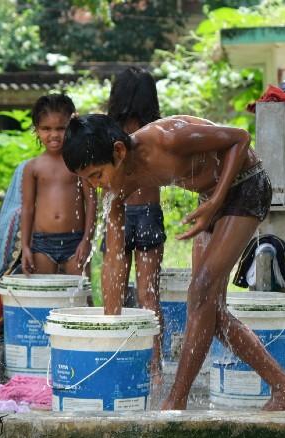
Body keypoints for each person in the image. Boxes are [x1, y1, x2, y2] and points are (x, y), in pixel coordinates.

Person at [61, 113, 285, 411]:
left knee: (201, 291)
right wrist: (110, 328)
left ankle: (176, 400)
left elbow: (240, 138)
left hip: (246, 186)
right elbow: (114, 260)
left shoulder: (168, 139)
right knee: (208, 309)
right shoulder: (117, 184)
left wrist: (216, 201)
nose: (97, 185)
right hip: (211, 200)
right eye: (87, 180)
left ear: (118, 151)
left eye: (96, 175)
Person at [106, 67, 166, 378]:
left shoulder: (111, 130)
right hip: (143, 211)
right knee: (147, 295)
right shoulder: (156, 129)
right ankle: (153, 367)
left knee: (115, 296)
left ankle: (115, 359)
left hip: (122, 212)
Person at [21, 94, 97, 276]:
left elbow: (92, 201)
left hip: (75, 241)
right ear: (37, 130)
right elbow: (28, 208)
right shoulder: (33, 167)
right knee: (45, 297)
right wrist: (25, 246)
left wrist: (87, 239)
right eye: (46, 128)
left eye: (61, 128)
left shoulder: (80, 163)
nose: (54, 134)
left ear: (72, 127)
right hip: (42, 244)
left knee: (81, 297)